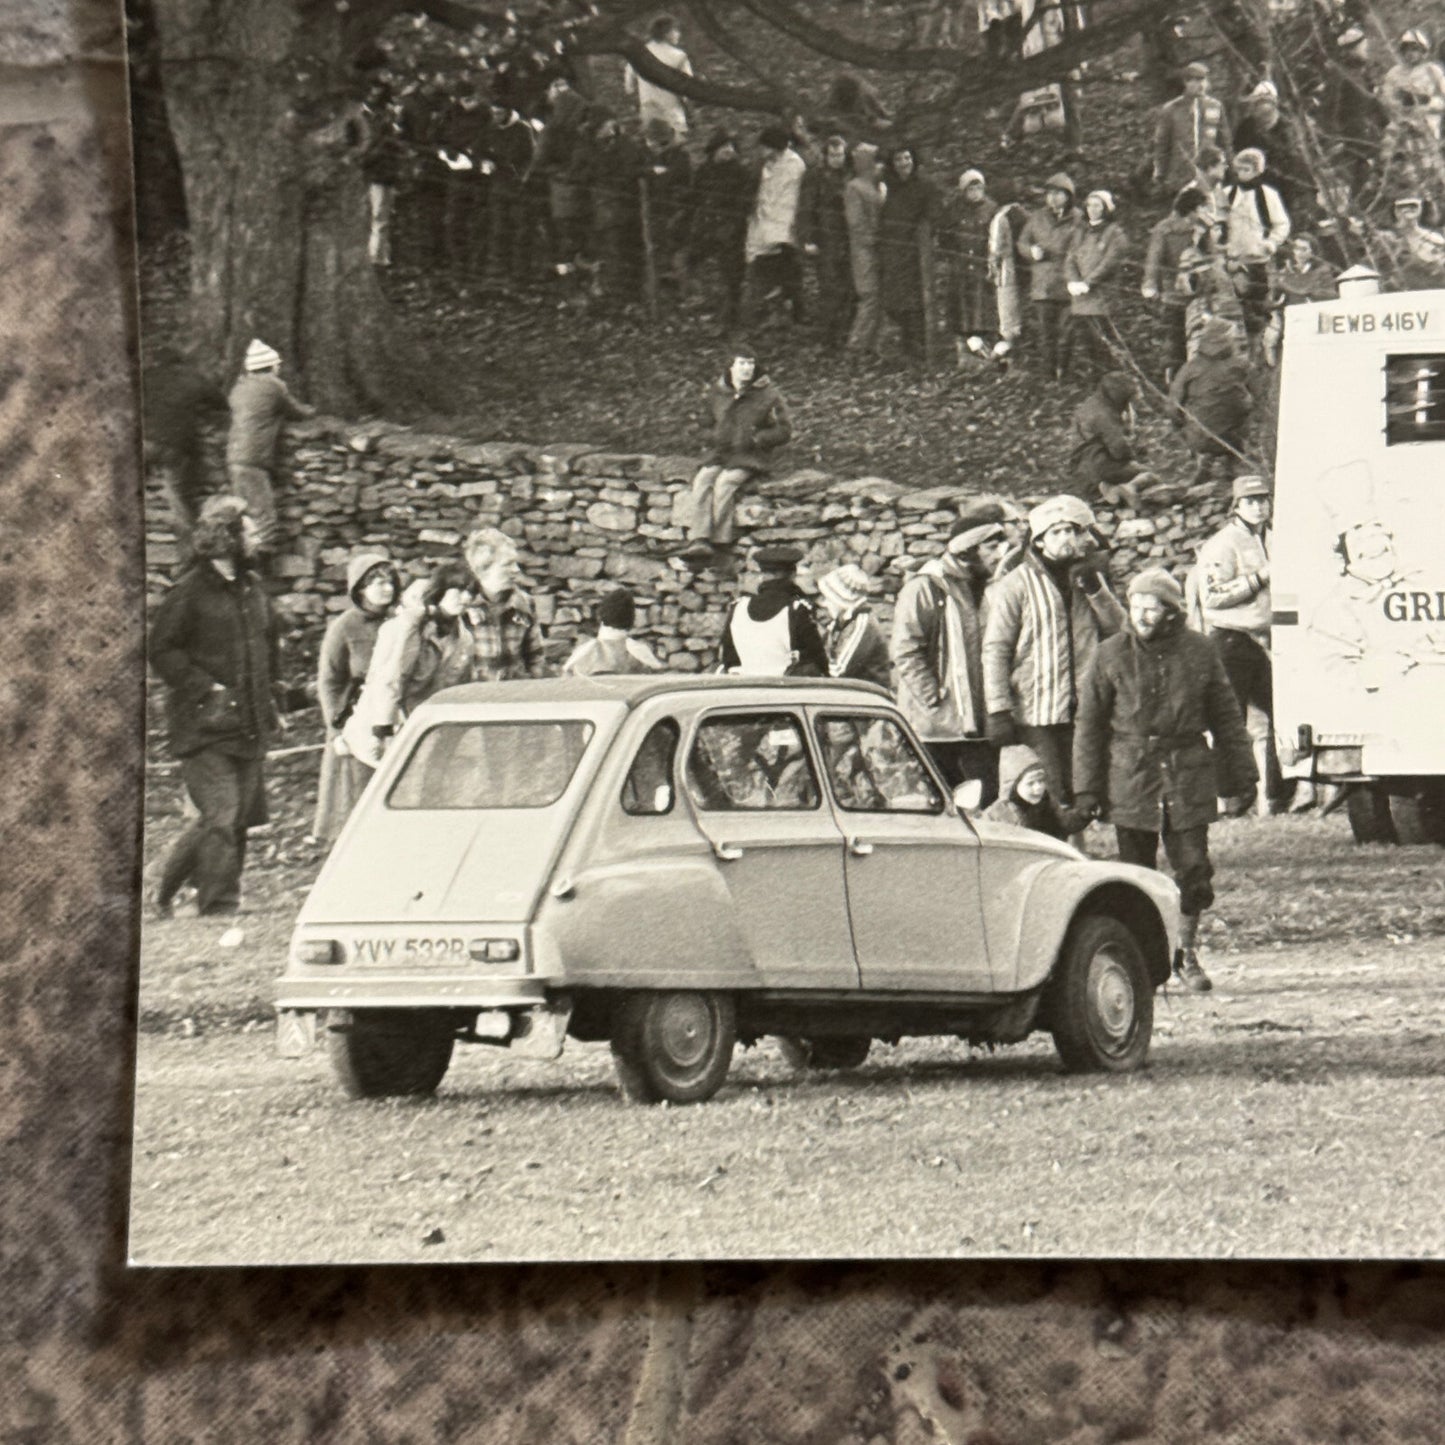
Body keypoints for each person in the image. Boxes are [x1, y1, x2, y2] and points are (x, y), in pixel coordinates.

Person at [1073, 567, 1257, 993]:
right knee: (1135, 876)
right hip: (1130, 775)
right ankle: (1140, 963)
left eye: (1151, 608)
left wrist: (1243, 777)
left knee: (1193, 869)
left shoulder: (1200, 652)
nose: (1141, 615)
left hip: (1187, 773)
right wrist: (1087, 788)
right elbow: (1089, 726)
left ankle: (1184, 954)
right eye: (1135, 606)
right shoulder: (1109, 655)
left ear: (1172, 613)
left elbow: (1227, 717)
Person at [148, 496, 279, 918]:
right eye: (249, 530)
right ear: (227, 538)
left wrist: (276, 700)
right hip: (204, 728)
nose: (257, 536)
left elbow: (268, 648)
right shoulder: (189, 593)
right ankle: (218, 904)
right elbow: (161, 649)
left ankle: (165, 892)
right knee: (221, 814)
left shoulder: (254, 589)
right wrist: (207, 687)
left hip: (249, 724)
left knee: (230, 817)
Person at [982, 493, 1125, 811]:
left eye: (1072, 531)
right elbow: (996, 648)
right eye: (1057, 532)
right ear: (1040, 540)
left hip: (1084, 703)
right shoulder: (1015, 584)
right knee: (1047, 786)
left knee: (1084, 785)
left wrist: (1095, 589)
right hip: (1036, 706)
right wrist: (998, 708)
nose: (1066, 539)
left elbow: (1118, 628)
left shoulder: (1088, 578)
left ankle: (1079, 852)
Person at [891, 502, 1012, 801]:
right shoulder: (925, 588)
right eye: (992, 547)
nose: (1000, 554)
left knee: (985, 801)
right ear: (968, 551)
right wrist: (934, 699)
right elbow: (906, 651)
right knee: (939, 803)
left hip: (981, 725)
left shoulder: (993, 586)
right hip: (935, 729)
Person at [1188, 475, 1275, 816]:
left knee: (1279, 714)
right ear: (1235, 506)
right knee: (1229, 719)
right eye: (1250, 500)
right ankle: (1230, 798)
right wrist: (1258, 579)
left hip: (1267, 639)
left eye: (1263, 499)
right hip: (1231, 639)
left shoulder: (1273, 537)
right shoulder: (1223, 543)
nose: (1258, 506)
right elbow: (1211, 596)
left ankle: (1278, 794)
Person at [341, 565, 479, 770]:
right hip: (379, 729)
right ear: (440, 591)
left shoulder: (464, 638)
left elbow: (458, 686)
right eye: (458, 590)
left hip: (422, 730)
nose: (466, 598)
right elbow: (389, 681)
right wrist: (382, 732)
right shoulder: (407, 627)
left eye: (471, 592)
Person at [312, 553, 400, 844]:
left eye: (389, 581)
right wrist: (337, 729)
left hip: (395, 718)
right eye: (376, 582)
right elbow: (329, 681)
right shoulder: (345, 627)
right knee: (356, 793)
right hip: (356, 719)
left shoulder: (403, 621)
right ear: (359, 588)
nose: (385, 588)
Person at [681, 342, 792, 567]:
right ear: (731, 367)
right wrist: (713, 436)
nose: (747, 369)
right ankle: (699, 539)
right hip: (720, 453)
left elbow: (784, 430)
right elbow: (700, 424)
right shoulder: (717, 393)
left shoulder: (768, 395)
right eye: (742, 363)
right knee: (703, 479)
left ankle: (719, 542)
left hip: (749, 457)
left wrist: (757, 439)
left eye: (750, 364)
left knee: (725, 484)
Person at [225, 339, 315, 557]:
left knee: (244, 517)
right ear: (271, 366)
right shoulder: (273, 386)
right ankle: (261, 575)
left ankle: (244, 567)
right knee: (264, 519)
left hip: (234, 457)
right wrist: (314, 411)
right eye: (277, 365)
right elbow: (296, 412)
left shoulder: (239, 387)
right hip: (254, 459)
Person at [142, 342, 227, 565]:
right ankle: (188, 560)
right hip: (176, 445)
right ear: (180, 361)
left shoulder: (146, 376)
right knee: (179, 500)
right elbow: (220, 403)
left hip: (144, 441)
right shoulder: (192, 377)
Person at [1168, 314, 1254, 484]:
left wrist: (1179, 426)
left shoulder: (1190, 368)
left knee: (1200, 419)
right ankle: (1232, 462)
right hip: (1235, 435)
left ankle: (1204, 459)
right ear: (1229, 341)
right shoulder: (1242, 365)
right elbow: (1259, 393)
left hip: (1199, 435)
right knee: (1241, 406)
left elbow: (1173, 405)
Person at [720, 545, 829, 676]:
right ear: (793, 574)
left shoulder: (738, 607)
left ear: (762, 575)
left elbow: (729, 658)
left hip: (745, 687)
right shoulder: (796, 609)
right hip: (784, 689)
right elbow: (817, 659)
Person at [1143, 186, 1212, 383]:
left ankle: (1193, 378)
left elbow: (1212, 255)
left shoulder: (1203, 228)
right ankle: (1172, 378)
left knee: (1195, 334)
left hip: (1198, 291)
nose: (1205, 212)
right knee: (1174, 336)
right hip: (1173, 291)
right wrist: (1150, 285)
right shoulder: (1165, 229)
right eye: (1202, 208)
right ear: (1193, 209)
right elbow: (1153, 259)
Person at [878, 143, 939, 367]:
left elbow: (933, 214)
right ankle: (905, 344)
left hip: (915, 250)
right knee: (894, 300)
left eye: (907, 158)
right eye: (898, 160)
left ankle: (918, 347)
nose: (904, 164)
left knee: (916, 299)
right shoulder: (888, 186)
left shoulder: (925, 185)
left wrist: (924, 234)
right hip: (891, 248)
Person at [1017, 172, 1082, 380]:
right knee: (1046, 335)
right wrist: (1031, 252)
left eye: (1058, 194)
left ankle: (1065, 372)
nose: (1052, 198)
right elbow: (1022, 242)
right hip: (1043, 285)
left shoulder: (1079, 218)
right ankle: (1048, 375)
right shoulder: (1037, 217)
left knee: (1067, 334)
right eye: (1049, 194)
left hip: (1068, 285)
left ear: (1069, 196)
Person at [463, 527, 548, 680]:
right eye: (507, 564)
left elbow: (536, 659)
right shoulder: (462, 606)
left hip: (514, 696)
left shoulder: (524, 603)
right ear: (483, 569)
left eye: (515, 563)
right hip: (472, 697)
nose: (516, 570)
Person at [744, 125, 809, 327]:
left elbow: (787, 199)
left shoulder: (793, 165)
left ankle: (794, 313)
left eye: (766, 147)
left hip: (783, 230)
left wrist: (781, 232)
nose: (762, 151)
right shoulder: (765, 165)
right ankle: (764, 314)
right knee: (763, 272)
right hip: (763, 225)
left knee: (790, 274)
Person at [687, 129, 752, 330]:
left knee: (731, 274)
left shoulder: (740, 172)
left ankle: (729, 318)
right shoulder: (704, 170)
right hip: (706, 227)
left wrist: (732, 225)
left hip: (731, 229)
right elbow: (695, 196)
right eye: (724, 147)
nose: (729, 151)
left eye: (731, 147)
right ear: (714, 150)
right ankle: (706, 307)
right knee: (696, 265)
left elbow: (744, 203)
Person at [1222, 148, 1290, 338]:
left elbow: (1282, 224)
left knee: (1259, 306)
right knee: (1237, 307)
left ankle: (1260, 345)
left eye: (1247, 169)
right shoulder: (1228, 194)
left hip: (1258, 260)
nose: (1242, 174)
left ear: (1257, 170)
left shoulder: (1267, 195)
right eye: (1239, 170)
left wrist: (1271, 243)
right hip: (1234, 261)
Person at [1068, 371, 1161, 509]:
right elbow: (1119, 449)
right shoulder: (1104, 414)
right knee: (1151, 476)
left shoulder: (1089, 404)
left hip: (1080, 469)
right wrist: (1134, 456)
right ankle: (1128, 488)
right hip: (1099, 466)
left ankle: (1107, 491)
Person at [1063, 189, 1128, 381]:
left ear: (1106, 208)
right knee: (1086, 340)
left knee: (1105, 339)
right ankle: (1095, 378)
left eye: (1097, 205)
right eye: (1089, 205)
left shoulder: (1114, 233)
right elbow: (1070, 259)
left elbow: (1110, 262)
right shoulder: (1080, 231)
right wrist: (1073, 281)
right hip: (1081, 299)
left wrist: (1089, 283)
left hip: (1102, 297)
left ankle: (1112, 376)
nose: (1092, 209)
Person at [800, 131, 855, 350]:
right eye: (832, 155)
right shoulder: (815, 177)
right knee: (829, 288)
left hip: (848, 238)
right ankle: (826, 337)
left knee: (849, 288)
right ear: (825, 155)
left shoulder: (850, 175)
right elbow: (806, 209)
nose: (837, 159)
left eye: (840, 155)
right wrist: (809, 239)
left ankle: (845, 334)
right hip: (826, 238)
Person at [940, 168, 998, 365]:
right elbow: (945, 238)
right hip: (961, 267)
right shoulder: (953, 210)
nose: (975, 192)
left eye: (979, 187)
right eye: (971, 188)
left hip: (983, 267)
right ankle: (964, 353)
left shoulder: (992, 208)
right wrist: (954, 257)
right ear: (963, 191)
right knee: (962, 309)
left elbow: (997, 236)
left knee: (983, 308)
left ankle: (986, 352)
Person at [587, 110, 645, 305]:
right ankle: (611, 290)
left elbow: (629, 171)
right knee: (608, 248)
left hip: (620, 205)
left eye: (608, 126)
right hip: (602, 206)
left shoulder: (624, 145)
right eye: (603, 127)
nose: (607, 130)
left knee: (620, 248)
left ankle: (624, 292)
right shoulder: (592, 145)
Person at [1232, 80, 1310, 220]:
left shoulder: (1287, 128)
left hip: (1281, 186)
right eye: (1258, 103)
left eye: (1266, 102)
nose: (1262, 108)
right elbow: (1237, 151)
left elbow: (1293, 159)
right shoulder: (1246, 127)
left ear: (1274, 104)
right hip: (1252, 184)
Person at [1152, 60, 1232, 194]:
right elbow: (1161, 145)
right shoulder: (1171, 109)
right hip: (1180, 176)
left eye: (1203, 80)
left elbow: (1225, 141)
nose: (1201, 85)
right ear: (1186, 82)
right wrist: (1160, 173)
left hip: (1209, 175)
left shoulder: (1215, 106)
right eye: (1195, 81)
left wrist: (1229, 168)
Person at [1261, 231, 1339, 365]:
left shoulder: (1322, 271)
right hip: (1289, 323)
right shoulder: (1285, 272)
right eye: (1296, 248)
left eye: (1304, 249)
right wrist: (1275, 300)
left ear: (1312, 252)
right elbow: (1271, 300)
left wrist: (1309, 293)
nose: (1299, 253)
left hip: (1314, 320)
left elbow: (1331, 295)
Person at [640, 116, 693, 296]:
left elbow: (673, 181)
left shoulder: (680, 156)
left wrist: (657, 176)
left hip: (676, 211)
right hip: (656, 210)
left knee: (678, 251)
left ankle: (683, 290)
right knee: (658, 248)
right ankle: (662, 286)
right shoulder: (648, 154)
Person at [844, 141, 887, 359]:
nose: (880, 166)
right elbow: (856, 222)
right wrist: (873, 239)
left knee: (879, 298)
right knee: (869, 296)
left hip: (880, 250)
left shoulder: (878, 186)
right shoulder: (854, 187)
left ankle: (873, 346)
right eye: (875, 162)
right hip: (863, 251)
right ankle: (855, 346)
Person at [817, 563, 890, 689]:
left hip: (869, 697)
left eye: (828, 598)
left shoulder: (864, 624)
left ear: (840, 599)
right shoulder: (840, 621)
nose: (823, 603)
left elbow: (838, 671)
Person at [563, 588, 665, 675]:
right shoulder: (640, 652)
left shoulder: (582, 653)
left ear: (600, 616)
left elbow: (566, 680)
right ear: (632, 618)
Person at [623, 13, 694, 138]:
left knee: (654, 143)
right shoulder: (678, 56)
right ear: (666, 33)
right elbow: (688, 87)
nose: (678, 34)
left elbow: (629, 85)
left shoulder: (639, 52)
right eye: (675, 30)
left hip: (648, 108)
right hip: (672, 109)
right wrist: (689, 110)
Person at [982, 744, 1070, 839]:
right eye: (1030, 783)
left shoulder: (1051, 805)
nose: (1038, 788)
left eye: (1041, 780)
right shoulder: (995, 815)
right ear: (1013, 785)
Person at [986, 177, 1028, 369]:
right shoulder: (1024, 214)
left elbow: (997, 249)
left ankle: (1009, 358)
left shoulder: (1000, 218)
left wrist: (992, 269)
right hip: (1025, 270)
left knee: (1007, 313)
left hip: (1007, 270)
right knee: (1020, 311)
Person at [1378, 195, 1445, 290]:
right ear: (1395, 210)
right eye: (1402, 206)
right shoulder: (1386, 238)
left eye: (1413, 206)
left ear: (1420, 208)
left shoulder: (1434, 238)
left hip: (1435, 289)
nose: (1407, 209)